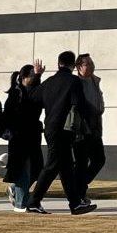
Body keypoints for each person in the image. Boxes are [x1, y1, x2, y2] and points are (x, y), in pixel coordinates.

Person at [29, 51, 84, 212]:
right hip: (64, 129)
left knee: (66, 167)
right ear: (73, 65)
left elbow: (33, 96)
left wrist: (37, 76)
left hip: (50, 127)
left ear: (58, 64)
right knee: (52, 165)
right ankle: (33, 202)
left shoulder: (50, 81)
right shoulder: (74, 81)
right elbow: (78, 105)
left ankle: (75, 203)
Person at [2, 64, 47, 212]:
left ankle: (15, 188)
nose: (34, 79)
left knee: (38, 168)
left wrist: (39, 76)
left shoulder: (34, 91)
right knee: (23, 169)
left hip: (33, 135)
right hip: (19, 136)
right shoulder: (17, 93)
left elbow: (38, 94)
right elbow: (14, 112)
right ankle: (21, 204)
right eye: (32, 76)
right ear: (24, 78)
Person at [72, 53, 108, 210]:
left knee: (99, 159)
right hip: (81, 129)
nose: (92, 66)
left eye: (92, 63)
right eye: (88, 64)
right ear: (79, 67)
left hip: (95, 127)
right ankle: (78, 193)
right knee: (81, 162)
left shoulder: (95, 81)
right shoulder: (76, 83)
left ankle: (78, 187)